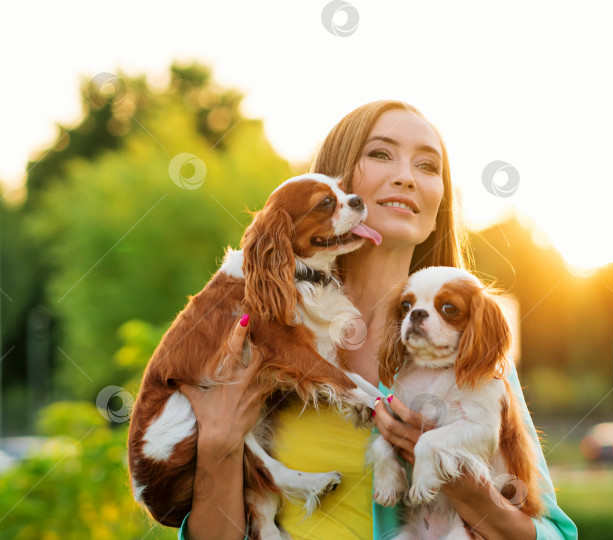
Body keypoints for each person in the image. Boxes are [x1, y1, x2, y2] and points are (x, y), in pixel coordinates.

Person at [175, 100, 578, 540]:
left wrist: (468, 489)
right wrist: (217, 448)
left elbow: (553, 533)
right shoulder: (264, 334)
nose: (406, 175)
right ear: (334, 181)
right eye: (381, 154)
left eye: (428, 165)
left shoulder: (471, 348)